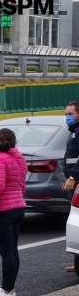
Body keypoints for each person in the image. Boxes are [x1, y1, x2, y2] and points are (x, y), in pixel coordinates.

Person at [0, 128, 27, 296]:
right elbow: (22, 185)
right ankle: (10, 288)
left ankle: (6, 290)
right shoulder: (20, 159)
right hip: (18, 207)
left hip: (3, 210)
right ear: (14, 141)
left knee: (6, 252)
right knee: (13, 251)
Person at [63, 100, 79, 272]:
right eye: (66, 114)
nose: (67, 117)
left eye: (70, 114)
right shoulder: (74, 131)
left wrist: (73, 176)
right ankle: (77, 263)